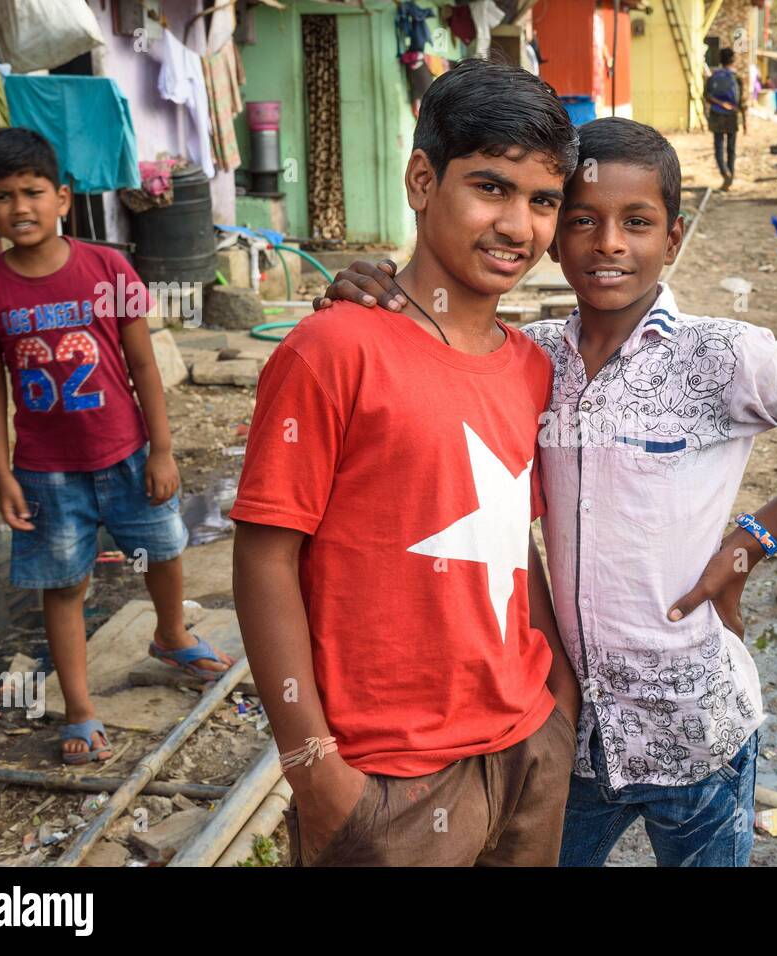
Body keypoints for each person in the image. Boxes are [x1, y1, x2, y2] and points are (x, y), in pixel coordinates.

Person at [315, 117, 777, 867]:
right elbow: (430, 357)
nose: (609, 245)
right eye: (583, 221)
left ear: (675, 236)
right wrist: (369, 289)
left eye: (638, 222)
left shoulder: (722, 355)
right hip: (577, 732)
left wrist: (750, 541)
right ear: (555, 236)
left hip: (699, 732)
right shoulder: (528, 357)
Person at [229, 59, 582, 868]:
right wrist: (314, 769)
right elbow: (265, 557)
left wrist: (558, 700)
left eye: (542, 201)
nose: (518, 226)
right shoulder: (333, 348)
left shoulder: (532, 366)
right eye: (490, 188)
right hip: (386, 776)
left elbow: (506, 537)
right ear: (422, 180)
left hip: (528, 746)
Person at [0, 127, 231, 764]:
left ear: (62, 197)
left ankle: (171, 633)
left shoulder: (108, 269)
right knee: (64, 585)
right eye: (0, 196)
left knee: (162, 551)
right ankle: (79, 708)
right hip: (46, 473)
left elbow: (144, 367)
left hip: (127, 453)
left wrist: (163, 450)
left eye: (32, 191)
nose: (18, 207)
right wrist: (2, 473)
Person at [705, 47, 745, 190]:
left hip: (716, 114)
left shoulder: (713, 77)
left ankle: (725, 173)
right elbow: (742, 101)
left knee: (718, 146)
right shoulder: (737, 78)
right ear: (733, 60)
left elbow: (707, 96)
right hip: (732, 115)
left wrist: (720, 104)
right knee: (731, 148)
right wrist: (745, 122)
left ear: (720, 60)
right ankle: (730, 176)